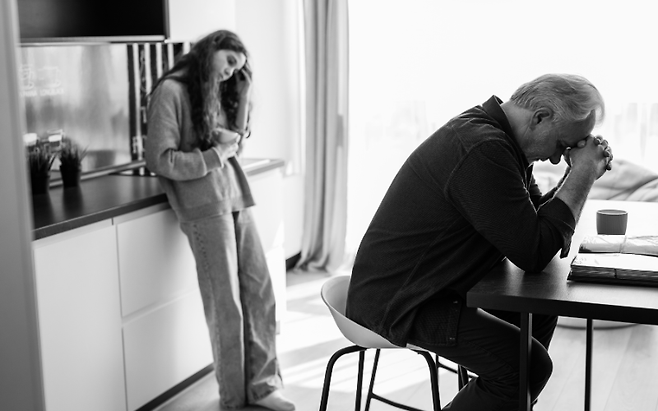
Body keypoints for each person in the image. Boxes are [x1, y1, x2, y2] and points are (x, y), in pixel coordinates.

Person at [345, 73, 613, 410]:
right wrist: (583, 173)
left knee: (537, 313)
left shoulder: (503, 141)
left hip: (441, 285)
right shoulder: (483, 148)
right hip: (404, 299)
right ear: (540, 117)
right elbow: (534, 251)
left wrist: (576, 175)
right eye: (561, 145)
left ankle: (508, 403)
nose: (558, 158)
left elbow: (536, 229)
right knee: (527, 366)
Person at [144, 29, 295, 411]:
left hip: (236, 197)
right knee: (226, 307)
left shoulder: (210, 91)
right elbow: (160, 159)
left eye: (236, 68)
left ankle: (263, 388)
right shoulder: (170, 92)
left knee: (261, 293)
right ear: (211, 49)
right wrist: (214, 156)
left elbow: (234, 143)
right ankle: (233, 399)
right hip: (204, 207)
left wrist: (243, 92)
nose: (229, 72)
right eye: (229, 62)